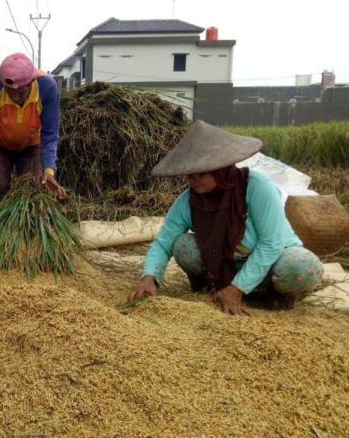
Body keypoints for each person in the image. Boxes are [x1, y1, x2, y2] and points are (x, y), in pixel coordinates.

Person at [128, 121, 323, 315]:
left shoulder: (256, 186)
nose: (192, 180)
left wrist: (238, 288)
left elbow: (271, 243)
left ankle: (276, 297)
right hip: (226, 267)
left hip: (272, 264)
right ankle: (212, 286)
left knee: (300, 264)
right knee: (182, 245)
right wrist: (149, 278)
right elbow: (164, 241)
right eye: (189, 175)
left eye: (199, 174)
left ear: (219, 169)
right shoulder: (188, 201)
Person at [0, 52, 67, 211]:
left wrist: (49, 170)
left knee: (29, 190)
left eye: (21, 93)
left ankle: (25, 222)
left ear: (31, 82)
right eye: (10, 92)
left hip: (30, 144)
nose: (15, 97)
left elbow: (50, 133)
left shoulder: (46, 87)